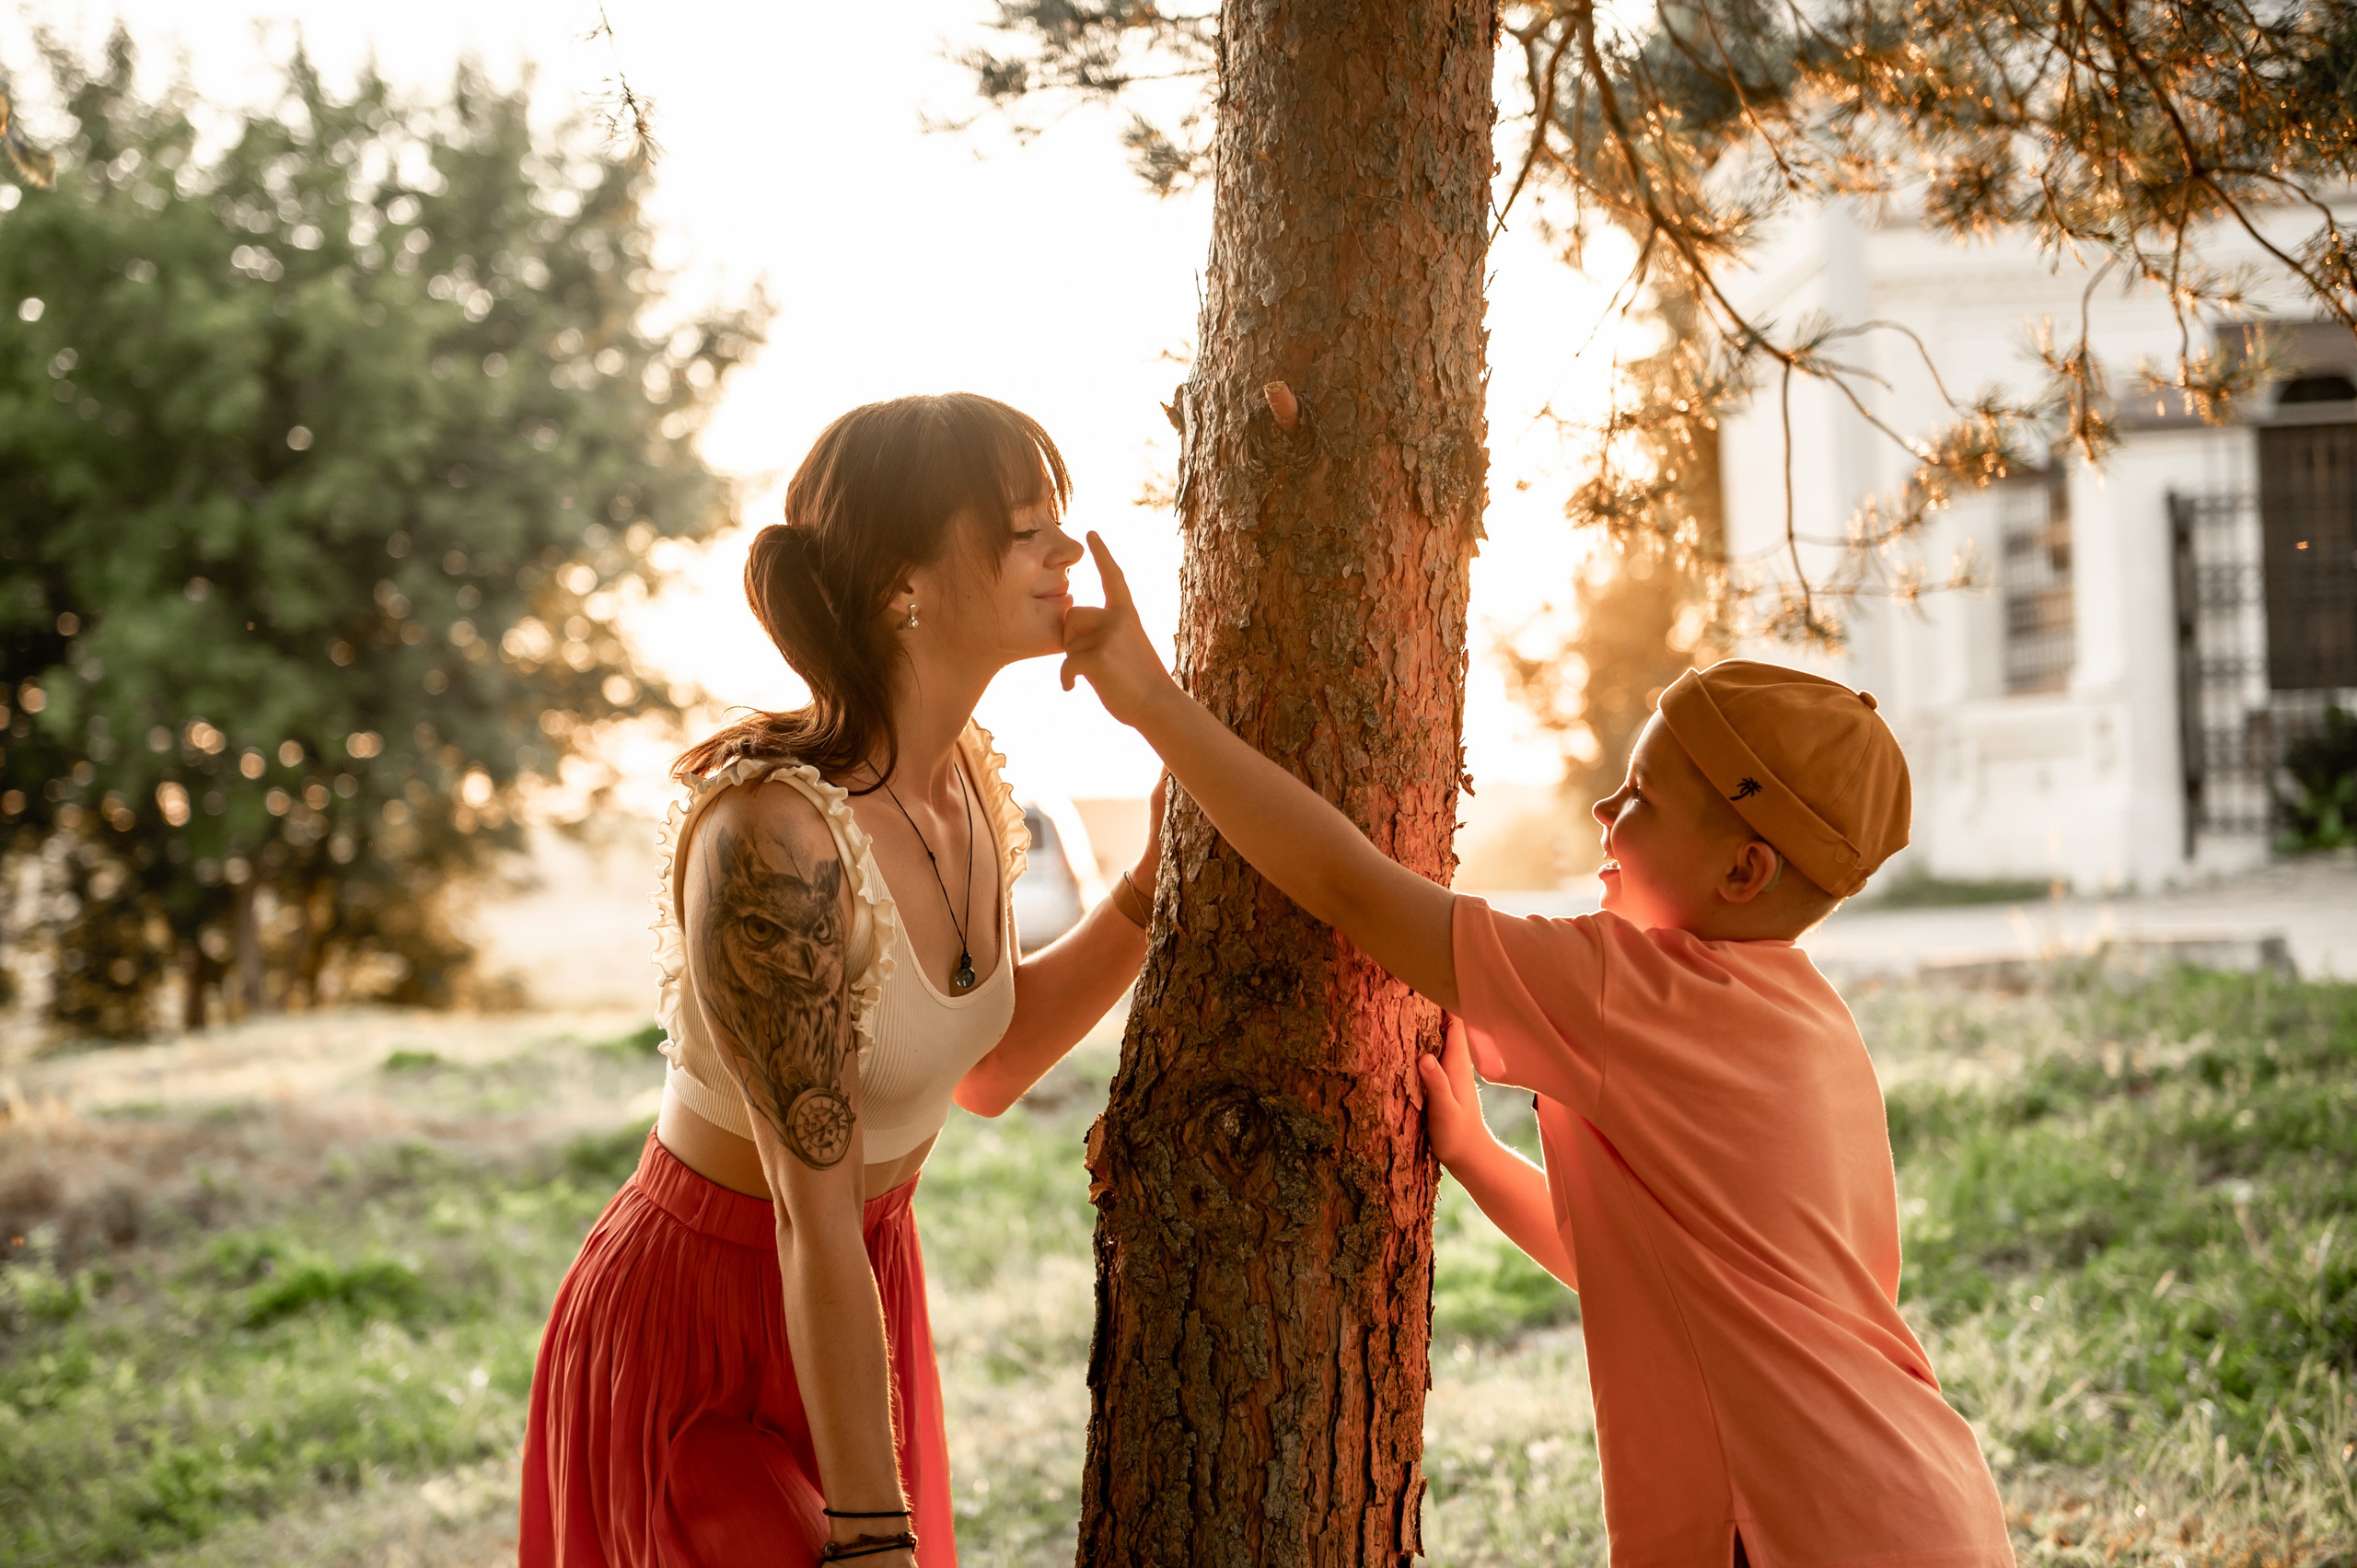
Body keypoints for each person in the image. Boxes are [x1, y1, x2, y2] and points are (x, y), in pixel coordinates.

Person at [1058, 535, 2015, 1567]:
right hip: (1916, 1501)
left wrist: (1153, 702)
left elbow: (1347, 886)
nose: (1606, 808)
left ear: (1742, 867)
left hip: (1794, 1524)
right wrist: (1474, 1156)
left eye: (1641, 796)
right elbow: (1629, 1263)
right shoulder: (1812, 1022)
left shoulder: (1631, 990)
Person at [521, 397, 1165, 1568]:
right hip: (706, 1323)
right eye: (1027, 525)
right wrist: (872, 1538)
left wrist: (1153, 883)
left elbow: (991, 1068)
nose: (1068, 550)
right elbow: (810, 1214)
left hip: (861, 1292)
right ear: (900, 585)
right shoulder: (775, 837)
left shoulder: (968, 780)